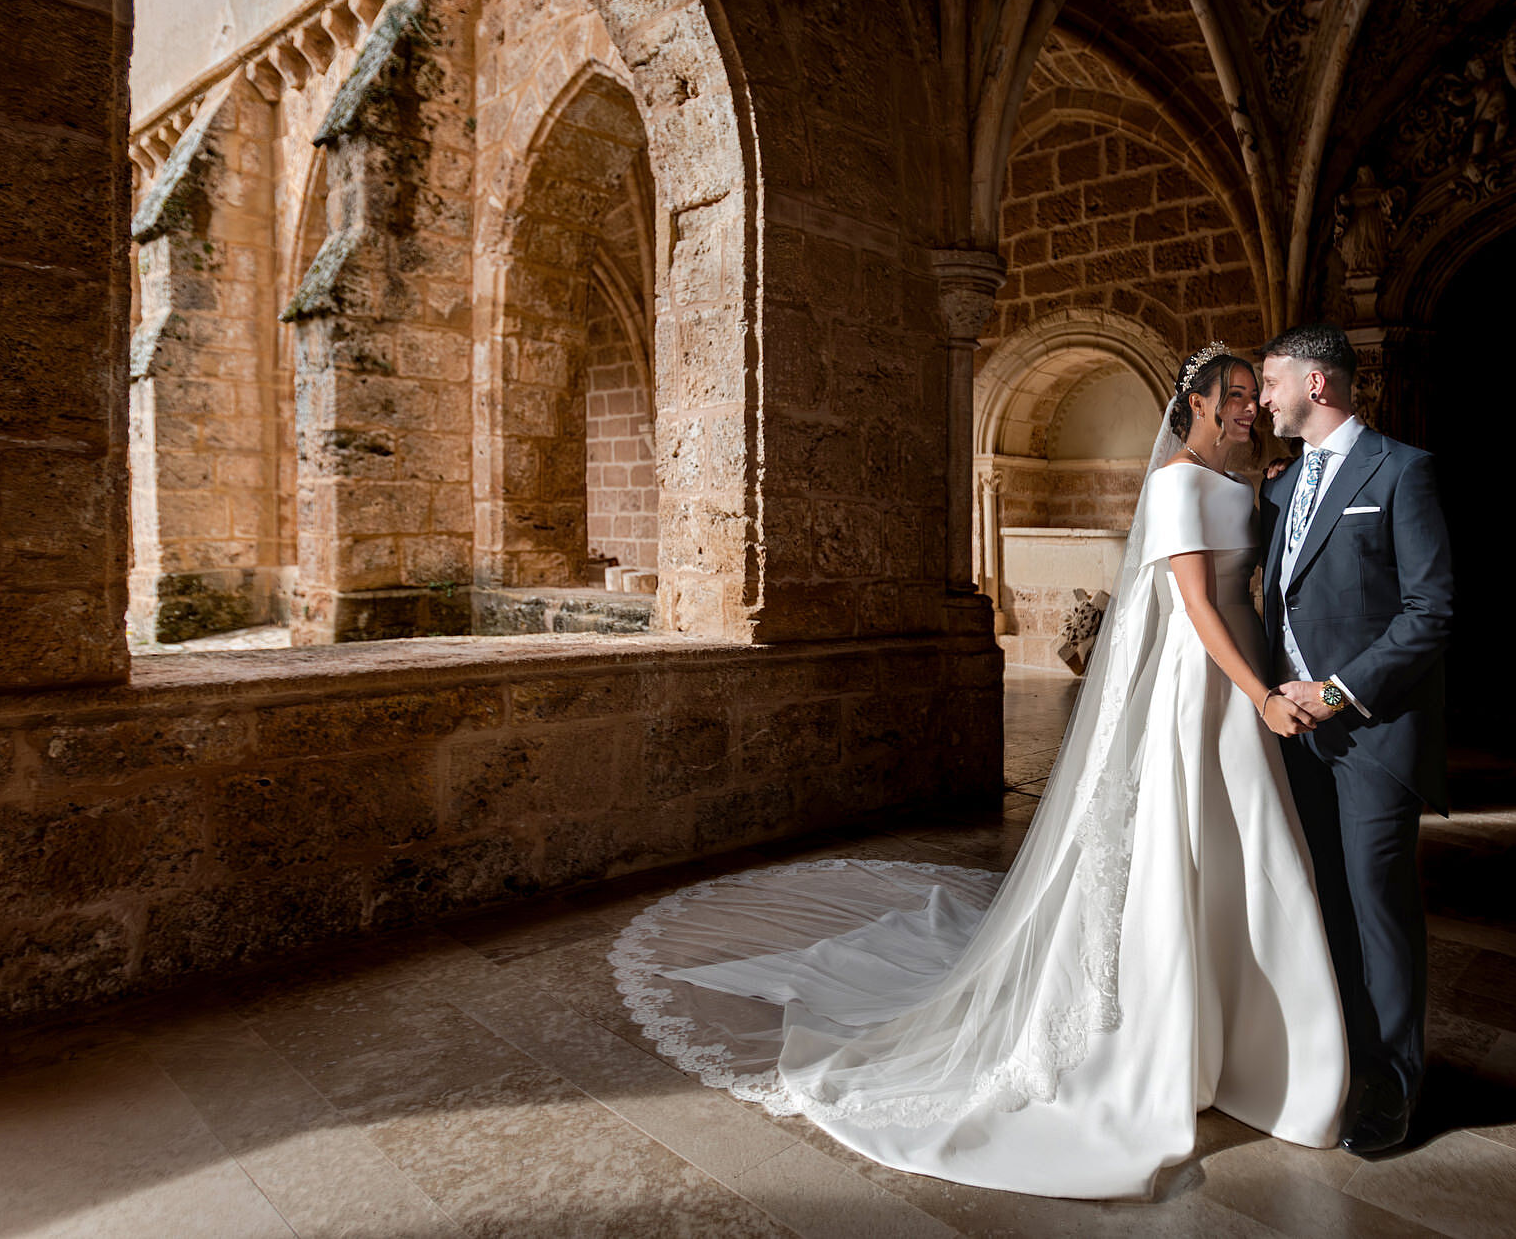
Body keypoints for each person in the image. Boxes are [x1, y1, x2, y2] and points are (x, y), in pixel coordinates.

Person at [606, 345, 1350, 1199]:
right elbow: (1195, 606)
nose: (1251, 407)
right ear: (1201, 403)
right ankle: (1180, 1039)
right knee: (1192, 843)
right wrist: (1259, 694)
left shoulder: (1240, 484)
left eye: (1256, 394)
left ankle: (1249, 1041)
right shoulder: (1179, 484)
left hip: (1242, 669)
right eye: (1239, 394)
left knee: (1239, 846)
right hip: (1206, 679)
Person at [1254, 322, 1455, 1158]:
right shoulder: (1279, 487)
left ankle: (1394, 1083)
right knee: (1323, 900)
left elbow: (1431, 610)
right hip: (1293, 737)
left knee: (1379, 908)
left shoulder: (1402, 470)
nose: (1262, 399)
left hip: (1372, 732)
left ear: (1317, 384)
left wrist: (1336, 692)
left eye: (1271, 383)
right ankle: (1341, 1057)